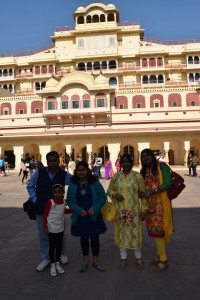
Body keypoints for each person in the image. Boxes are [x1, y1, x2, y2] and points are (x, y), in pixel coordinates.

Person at [27, 151, 72, 271]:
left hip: (57, 210)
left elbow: (75, 183)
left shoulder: (64, 174)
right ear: (47, 162)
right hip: (41, 208)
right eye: (50, 161)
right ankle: (46, 257)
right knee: (43, 234)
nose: (52, 163)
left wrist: (69, 200)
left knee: (60, 232)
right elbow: (30, 186)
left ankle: (61, 254)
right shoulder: (40, 173)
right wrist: (35, 199)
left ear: (59, 161)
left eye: (54, 160)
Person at [107, 154, 148, 270]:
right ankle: (123, 258)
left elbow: (143, 195)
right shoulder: (116, 177)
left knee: (135, 233)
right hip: (120, 212)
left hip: (133, 211)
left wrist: (144, 209)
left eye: (127, 162)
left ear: (131, 162)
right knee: (122, 234)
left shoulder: (137, 177)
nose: (125, 164)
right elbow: (109, 190)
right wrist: (115, 194)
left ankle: (138, 257)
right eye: (123, 162)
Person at [67, 161, 107, 272]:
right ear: (76, 171)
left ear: (87, 171)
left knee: (95, 239)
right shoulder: (73, 184)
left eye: (83, 170)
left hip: (93, 216)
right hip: (81, 217)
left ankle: (96, 261)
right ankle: (85, 261)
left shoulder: (94, 182)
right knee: (83, 239)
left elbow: (102, 197)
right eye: (79, 170)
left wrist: (94, 209)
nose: (81, 172)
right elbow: (69, 200)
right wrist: (79, 211)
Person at [140, 148, 173, 270]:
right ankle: (159, 255)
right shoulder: (144, 171)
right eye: (143, 157)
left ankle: (163, 259)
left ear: (152, 156)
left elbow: (169, 183)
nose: (145, 158)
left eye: (147, 155)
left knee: (159, 232)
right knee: (155, 232)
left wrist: (153, 191)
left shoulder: (162, 166)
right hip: (150, 206)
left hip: (161, 205)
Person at [43, 184, 67, 276]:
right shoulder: (50, 202)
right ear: (53, 193)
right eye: (55, 192)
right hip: (51, 228)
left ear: (62, 193)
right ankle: (52, 264)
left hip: (60, 228)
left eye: (59, 192)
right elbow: (45, 215)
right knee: (52, 247)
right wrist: (45, 227)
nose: (57, 194)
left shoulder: (64, 202)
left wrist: (75, 210)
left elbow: (64, 211)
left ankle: (57, 263)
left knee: (59, 246)